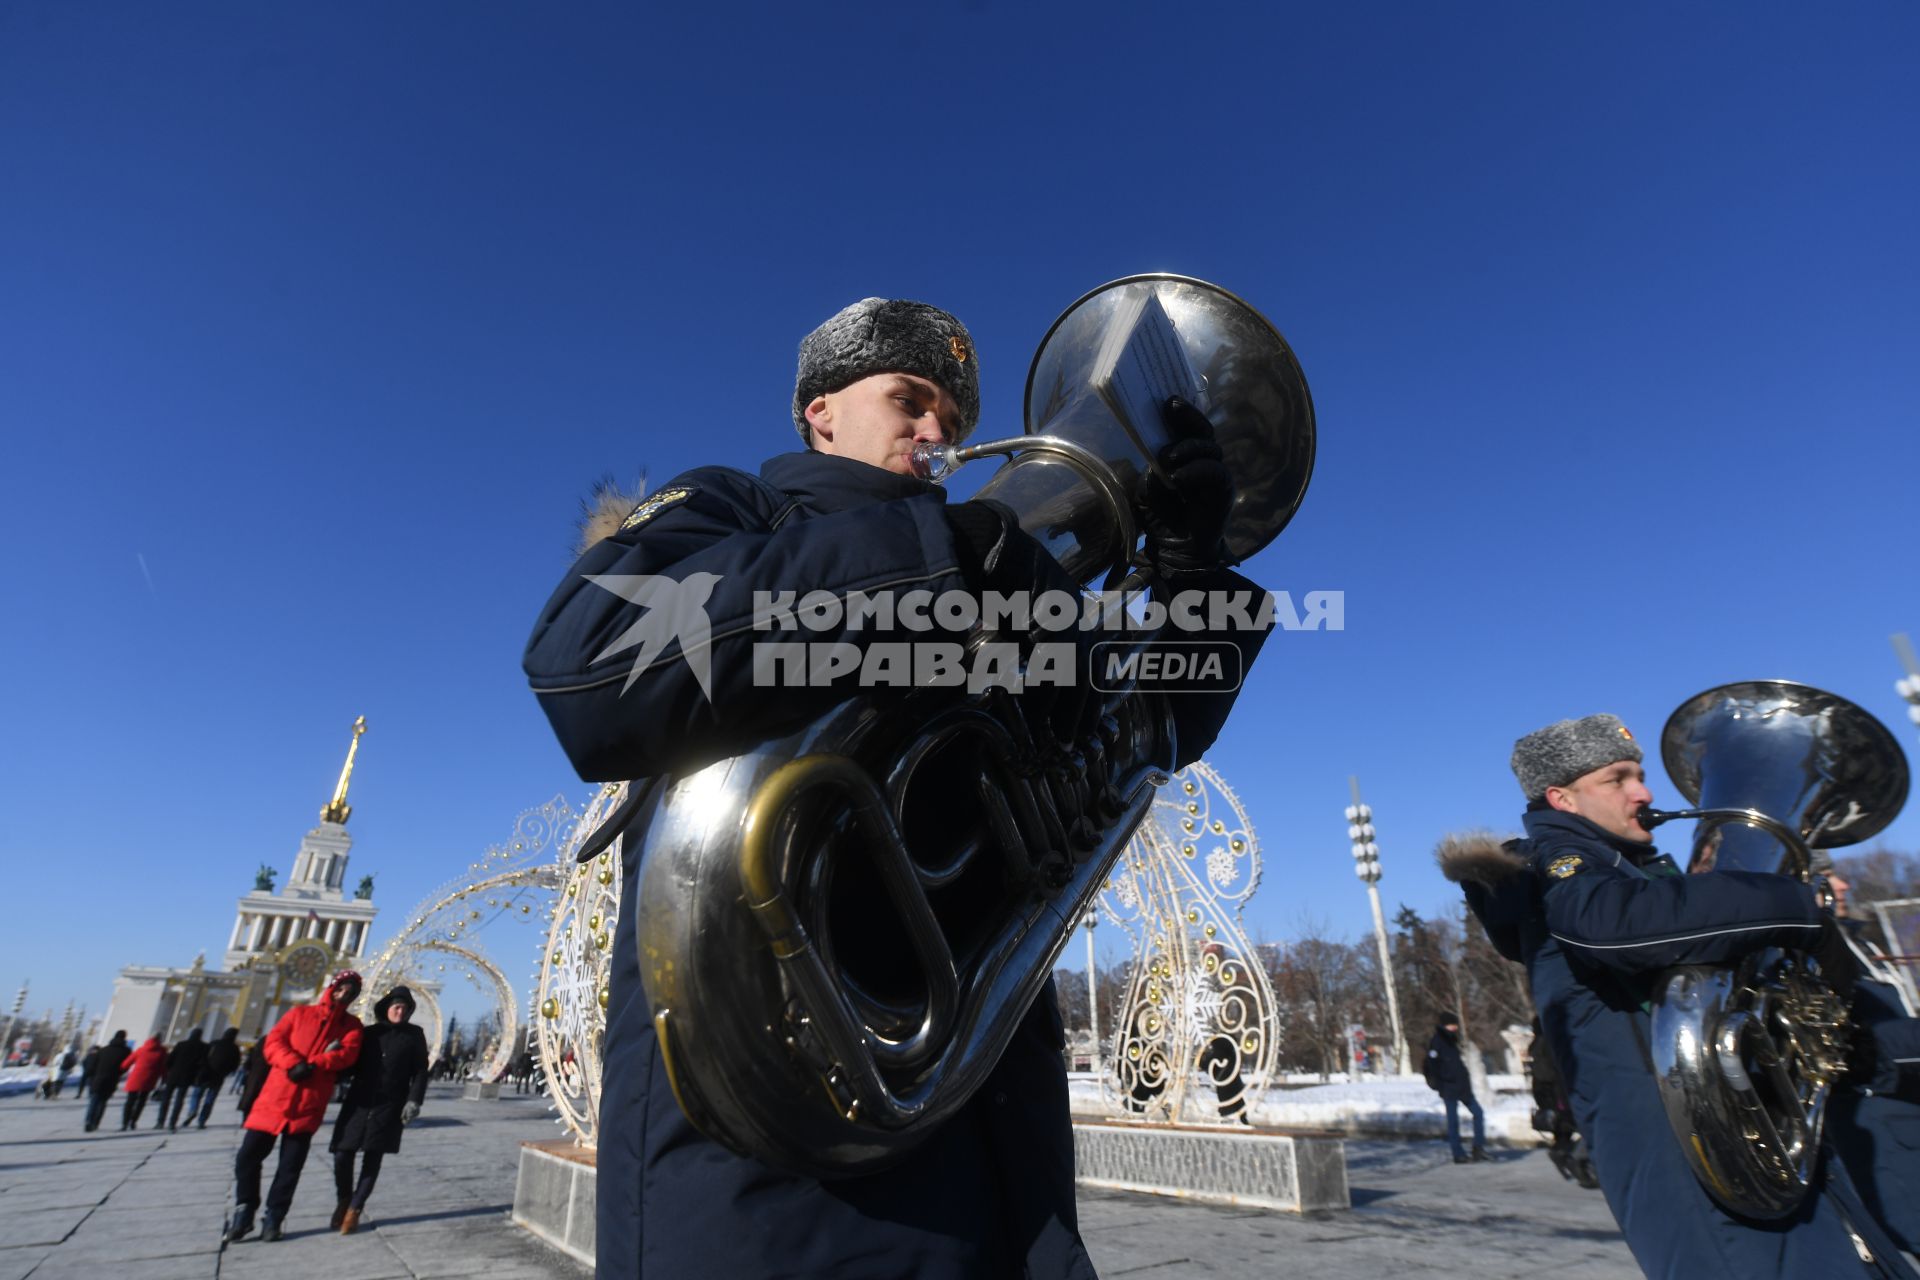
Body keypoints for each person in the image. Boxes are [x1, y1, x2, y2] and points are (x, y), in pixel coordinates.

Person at [523, 296, 1269, 1278]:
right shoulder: (738, 510)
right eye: (910, 400)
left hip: (994, 1161)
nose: (937, 435)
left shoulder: (1000, 580)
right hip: (768, 1191)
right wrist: (932, 557)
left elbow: (1154, 730)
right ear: (819, 409)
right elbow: (589, 659)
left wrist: (1191, 577)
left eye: (954, 421)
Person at [1446, 713, 1916, 1277]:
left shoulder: (1632, 871)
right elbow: (1604, 925)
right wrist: (1791, 906)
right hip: (1691, 1163)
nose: (1644, 792)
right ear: (1562, 799)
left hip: (1749, 1144)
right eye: (1617, 779)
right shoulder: (1554, 867)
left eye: (1639, 774)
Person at [224, 971, 364, 1244]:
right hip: (275, 1099)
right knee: (247, 1158)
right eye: (341, 989)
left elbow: (347, 1055)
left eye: (351, 992)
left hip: (308, 1104)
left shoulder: (351, 1026)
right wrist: (292, 1063)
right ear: (332, 988)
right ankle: (245, 1210)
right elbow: (273, 1043)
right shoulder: (300, 1014)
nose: (344, 995)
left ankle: (274, 1217)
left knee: (290, 1167)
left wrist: (315, 1065)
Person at [328, 985, 430, 1234]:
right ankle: (344, 1199)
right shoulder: (370, 1033)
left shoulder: (414, 1035)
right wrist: (335, 1058)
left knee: (373, 1158)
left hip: (389, 1105)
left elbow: (420, 1071)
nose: (401, 1011)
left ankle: (355, 1209)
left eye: (405, 1008)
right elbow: (351, 1066)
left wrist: (414, 1100)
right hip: (360, 1102)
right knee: (343, 1153)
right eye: (397, 1007)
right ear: (387, 1008)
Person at [1421, 1012, 1485, 1163]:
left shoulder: (1452, 1040)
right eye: (1452, 1024)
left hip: (1462, 1087)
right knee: (1453, 1122)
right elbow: (1432, 1066)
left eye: (1455, 1024)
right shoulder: (1438, 1041)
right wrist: (1440, 1083)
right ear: (1445, 1025)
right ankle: (1458, 1154)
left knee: (1479, 1113)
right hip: (1449, 1088)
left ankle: (1478, 1148)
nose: (1455, 1027)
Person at [158, 1027, 209, 1130]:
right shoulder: (203, 1047)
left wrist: (169, 1070)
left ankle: (160, 1121)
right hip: (187, 1076)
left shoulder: (181, 1044)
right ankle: (172, 1122)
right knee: (179, 1100)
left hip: (173, 1075)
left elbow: (170, 1059)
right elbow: (203, 1063)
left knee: (166, 1098)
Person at [191, 1027, 242, 1128]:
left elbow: (203, 1056)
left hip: (206, 1073)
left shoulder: (214, 1043)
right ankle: (202, 1120)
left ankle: (193, 1109)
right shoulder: (234, 1048)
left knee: (197, 1094)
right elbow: (235, 1064)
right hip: (219, 1076)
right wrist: (227, 1072)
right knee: (210, 1099)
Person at [82, 1032, 130, 1131]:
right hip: (112, 1079)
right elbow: (125, 1066)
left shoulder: (103, 1050)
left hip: (98, 1078)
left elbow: (93, 1065)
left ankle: (88, 1121)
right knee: (103, 1101)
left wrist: (91, 1075)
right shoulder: (126, 1051)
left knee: (94, 1100)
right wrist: (119, 1072)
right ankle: (95, 1123)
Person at [120, 1034, 167, 1130]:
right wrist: (164, 1078)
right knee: (142, 1101)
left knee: (130, 1101)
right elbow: (164, 1067)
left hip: (135, 1078)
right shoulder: (162, 1052)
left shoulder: (141, 1050)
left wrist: (123, 1069)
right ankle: (133, 1121)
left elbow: (125, 1064)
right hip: (149, 1079)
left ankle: (124, 1123)